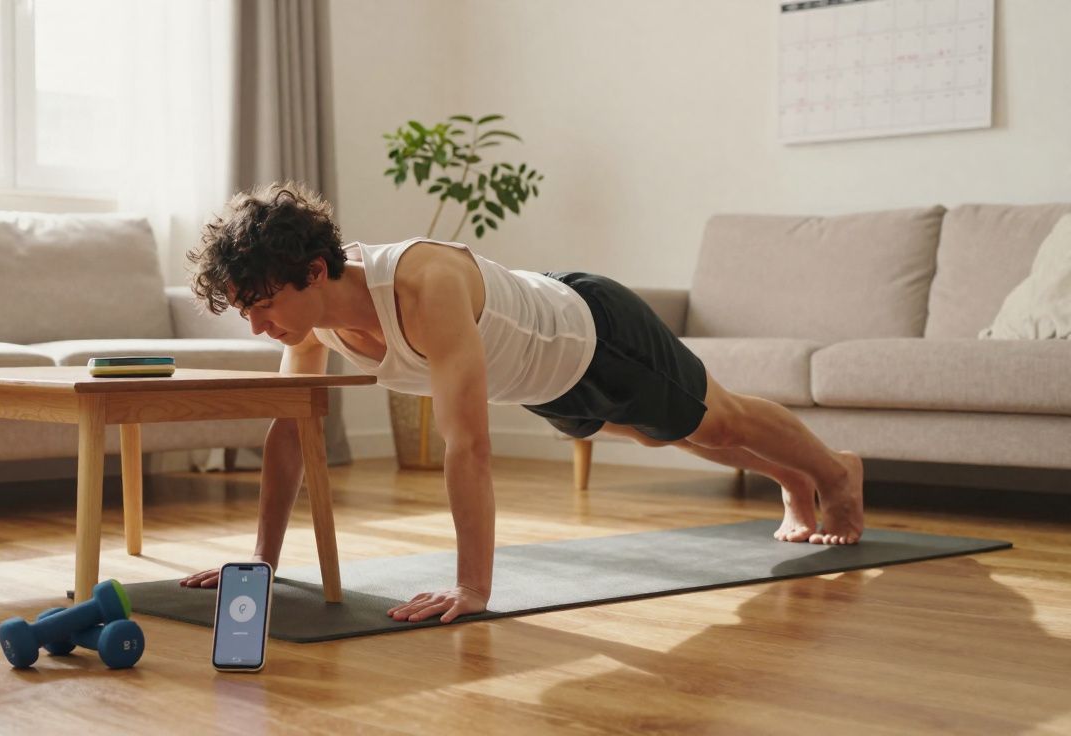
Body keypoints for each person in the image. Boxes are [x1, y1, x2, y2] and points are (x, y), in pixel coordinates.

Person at [178, 181, 864, 625]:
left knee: (718, 421)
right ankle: (791, 475)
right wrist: (262, 563)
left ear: (315, 271)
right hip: (544, 381)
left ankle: (835, 475)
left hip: (597, 335)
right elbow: (290, 433)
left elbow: (467, 445)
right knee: (667, 433)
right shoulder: (308, 324)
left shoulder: (423, 283)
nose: (257, 326)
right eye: (245, 311)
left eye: (262, 306)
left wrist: (471, 588)